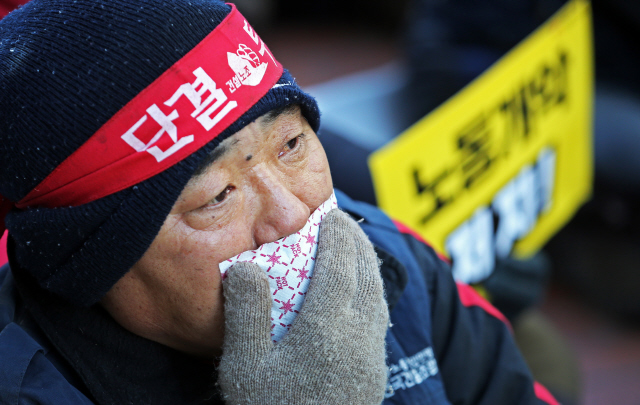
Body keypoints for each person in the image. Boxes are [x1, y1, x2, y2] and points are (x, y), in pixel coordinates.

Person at [0, 0, 558, 404]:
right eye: (216, 197)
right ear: (92, 263)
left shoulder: (391, 258)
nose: (293, 216)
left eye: (290, 144)